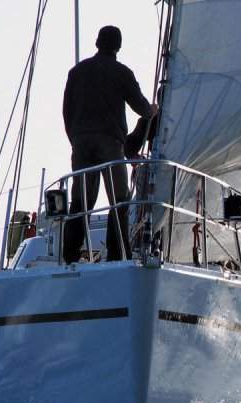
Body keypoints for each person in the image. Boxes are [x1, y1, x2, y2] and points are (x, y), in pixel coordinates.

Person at [62, 25, 158, 263]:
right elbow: (140, 106)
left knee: (81, 201)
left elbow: (67, 110)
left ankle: (70, 254)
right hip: (110, 143)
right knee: (119, 199)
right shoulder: (122, 72)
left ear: (97, 43)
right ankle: (117, 254)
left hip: (81, 142)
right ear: (118, 46)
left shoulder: (77, 72)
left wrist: (75, 137)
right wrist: (152, 110)